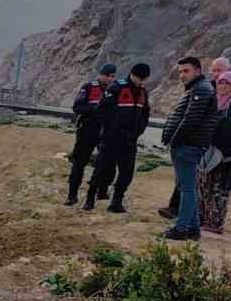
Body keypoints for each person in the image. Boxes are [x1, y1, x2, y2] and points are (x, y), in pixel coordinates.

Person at [159, 56, 219, 240]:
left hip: (188, 145)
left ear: (198, 71)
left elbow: (190, 120)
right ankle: (192, 228)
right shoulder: (197, 88)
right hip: (188, 145)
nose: (182, 75)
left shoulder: (201, 89)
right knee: (187, 186)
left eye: (186, 71)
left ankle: (181, 228)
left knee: (187, 189)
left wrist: (175, 141)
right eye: (180, 72)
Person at [84, 63, 152, 213]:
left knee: (127, 173)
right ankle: (90, 198)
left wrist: (139, 130)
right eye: (139, 78)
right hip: (111, 138)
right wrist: (112, 129)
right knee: (102, 170)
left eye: (144, 79)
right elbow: (101, 110)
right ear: (132, 74)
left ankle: (116, 202)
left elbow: (145, 113)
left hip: (130, 139)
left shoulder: (142, 92)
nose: (141, 82)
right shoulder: (116, 87)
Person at [198, 71, 231, 233]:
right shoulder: (213, 100)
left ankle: (216, 223)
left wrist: (218, 122)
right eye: (221, 82)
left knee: (220, 191)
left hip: (228, 155)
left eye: (227, 83)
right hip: (209, 153)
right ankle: (202, 219)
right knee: (205, 187)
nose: (223, 86)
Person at [64, 64, 116, 206]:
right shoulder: (88, 87)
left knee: (106, 162)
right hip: (87, 130)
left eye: (112, 76)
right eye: (108, 76)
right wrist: (96, 109)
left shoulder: (115, 90)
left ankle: (102, 192)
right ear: (101, 74)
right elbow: (77, 107)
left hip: (106, 131)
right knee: (79, 162)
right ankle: (72, 195)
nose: (110, 79)